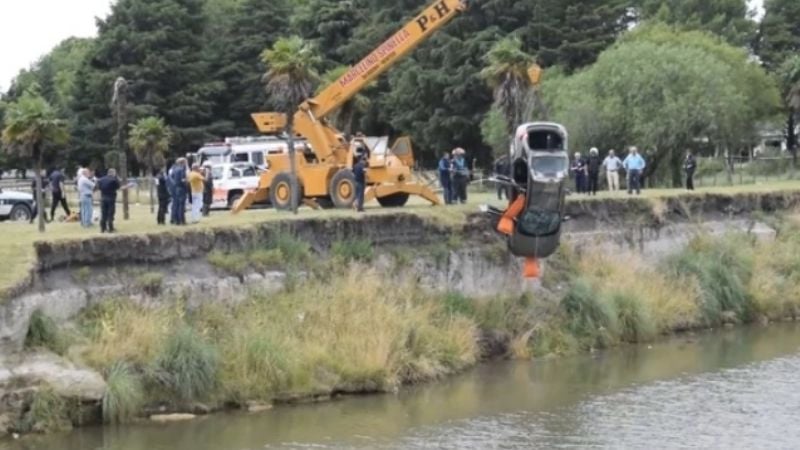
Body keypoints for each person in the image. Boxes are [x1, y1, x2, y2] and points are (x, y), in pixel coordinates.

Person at [96, 168, 131, 233]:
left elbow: (99, 188)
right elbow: (119, 188)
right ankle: (110, 228)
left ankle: (102, 229)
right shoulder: (114, 180)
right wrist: (127, 186)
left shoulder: (101, 179)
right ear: (114, 173)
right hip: (111, 198)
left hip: (103, 198)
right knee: (110, 213)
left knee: (103, 213)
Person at [170, 159, 188, 225]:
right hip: (181, 188)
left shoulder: (174, 169)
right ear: (183, 163)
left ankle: (176, 220)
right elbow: (183, 180)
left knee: (176, 205)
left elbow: (171, 177)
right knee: (181, 205)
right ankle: (182, 220)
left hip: (176, 188)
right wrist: (186, 184)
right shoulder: (182, 169)